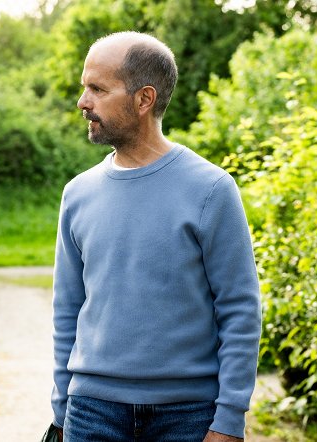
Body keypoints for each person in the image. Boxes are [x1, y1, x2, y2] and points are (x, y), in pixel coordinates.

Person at [50, 32, 261, 441]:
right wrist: (62, 410)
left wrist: (230, 418)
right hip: (91, 412)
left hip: (188, 416)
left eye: (97, 88)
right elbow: (67, 309)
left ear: (144, 99)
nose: (83, 102)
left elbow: (240, 308)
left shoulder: (211, 189)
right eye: (84, 88)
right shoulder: (77, 194)